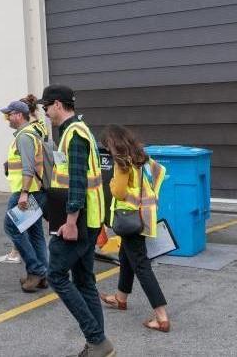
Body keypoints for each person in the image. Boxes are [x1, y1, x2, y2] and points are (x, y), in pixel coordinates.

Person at [42, 85, 116, 357]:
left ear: (58, 105)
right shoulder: (78, 130)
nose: (46, 112)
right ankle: (98, 346)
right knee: (84, 281)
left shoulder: (74, 135)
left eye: (46, 107)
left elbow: (77, 181)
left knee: (56, 275)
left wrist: (71, 221)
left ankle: (97, 339)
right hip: (90, 218)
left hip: (79, 221)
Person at [99, 124, 170, 333]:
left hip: (130, 220)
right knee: (126, 257)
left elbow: (119, 192)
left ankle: (161, 316)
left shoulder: (121, 162)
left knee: (141, 265)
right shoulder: (142, 158)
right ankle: (120, 298)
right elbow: (160, 172)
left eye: (107, 145)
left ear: (113, 143)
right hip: (143, 217)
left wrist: (111, 182)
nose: (107, 150)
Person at [1, 99, 49, 293]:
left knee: (12, 227)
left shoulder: (24, 136)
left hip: (27, 192)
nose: (7, 118)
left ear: (19, 115)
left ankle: (36, 271)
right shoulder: (30, 133)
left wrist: (23, 194)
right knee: (35, 232)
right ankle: (42, 275)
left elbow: (28, 168)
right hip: (35, 191)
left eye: (9, 114)